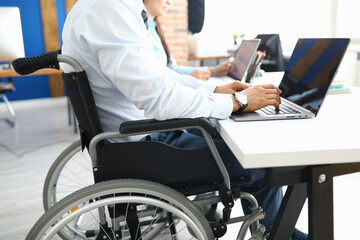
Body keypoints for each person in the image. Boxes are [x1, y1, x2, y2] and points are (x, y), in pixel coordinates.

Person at [60, 0, 307, 239]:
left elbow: (158, 76)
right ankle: (279, 234)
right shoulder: (111, 8)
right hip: (143, 149)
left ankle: (273, 230)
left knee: (234, 136)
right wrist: (238, 102)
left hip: (130, 142)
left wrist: (214, 91)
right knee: (261, 159)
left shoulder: (99, 7)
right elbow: (158, 99)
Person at [144, 0, 231, 81]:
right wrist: (187, 79)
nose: (169, 2)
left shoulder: (154, 27)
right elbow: (152, 79)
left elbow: (169, 68)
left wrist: (213, 71)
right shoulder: (142, 31)